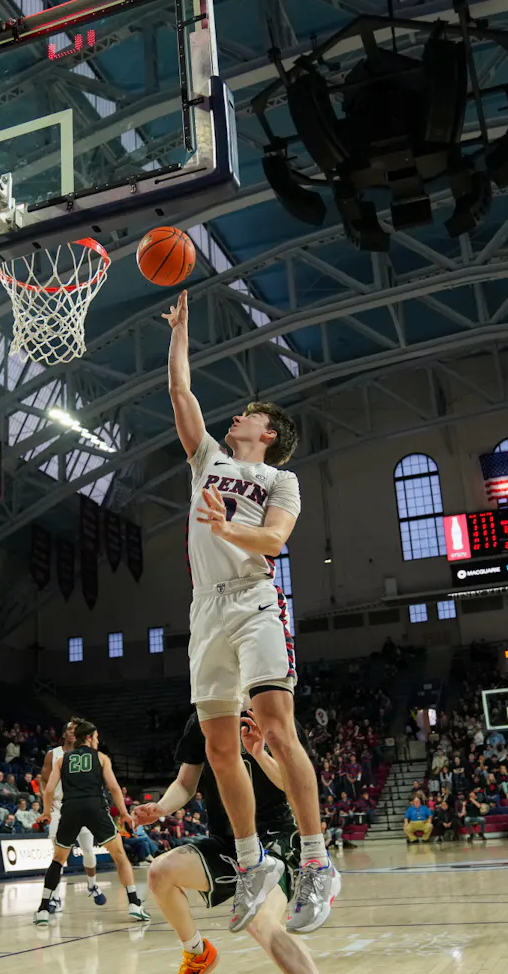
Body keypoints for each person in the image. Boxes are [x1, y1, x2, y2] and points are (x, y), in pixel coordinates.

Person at [164, 290, 339, 933]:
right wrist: (179, 333)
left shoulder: (278, 481)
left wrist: (226, 527)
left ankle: (317, 862)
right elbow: (182, 393)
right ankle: (250, 861)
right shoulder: (207, 459)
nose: (237, 416)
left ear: (268, 434)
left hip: (254, 601)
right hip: (204, 612)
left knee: (273, 724)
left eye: (249, 415)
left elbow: (273, 543)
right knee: (217, 744)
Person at [133, 712, 336, 974]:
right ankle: (196, 955)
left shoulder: (276, 715)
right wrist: (161, 808)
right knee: (159, 872)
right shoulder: (201, 720)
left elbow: (296, 785)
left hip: (273, 840)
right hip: (227, 842)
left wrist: (259, 754)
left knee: (259, 919)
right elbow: (185, 783)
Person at [33, 719, 148, 925]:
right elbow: (113, 788)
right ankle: (134, 904)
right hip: (95, 808)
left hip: (70, 809)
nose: (98, 741)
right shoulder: (101, 758)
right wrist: (123, 813)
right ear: (88, 737)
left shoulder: (62, 760)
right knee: (120, 855)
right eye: (96, 738)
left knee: (58, 859)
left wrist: (46, 813)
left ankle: (42, 909)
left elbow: (49, 789)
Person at [38, 721, 101, 912]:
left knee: (88, 849)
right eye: (69, 730)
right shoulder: (53, 754)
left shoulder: (89, 755)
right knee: (58, 855)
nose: (73, 733)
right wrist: (46, 805)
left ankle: (92, 884)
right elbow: (43, 780)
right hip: (59, 807)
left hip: (81, 805)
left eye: (75, 730)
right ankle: (55, 898)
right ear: (64, 734)